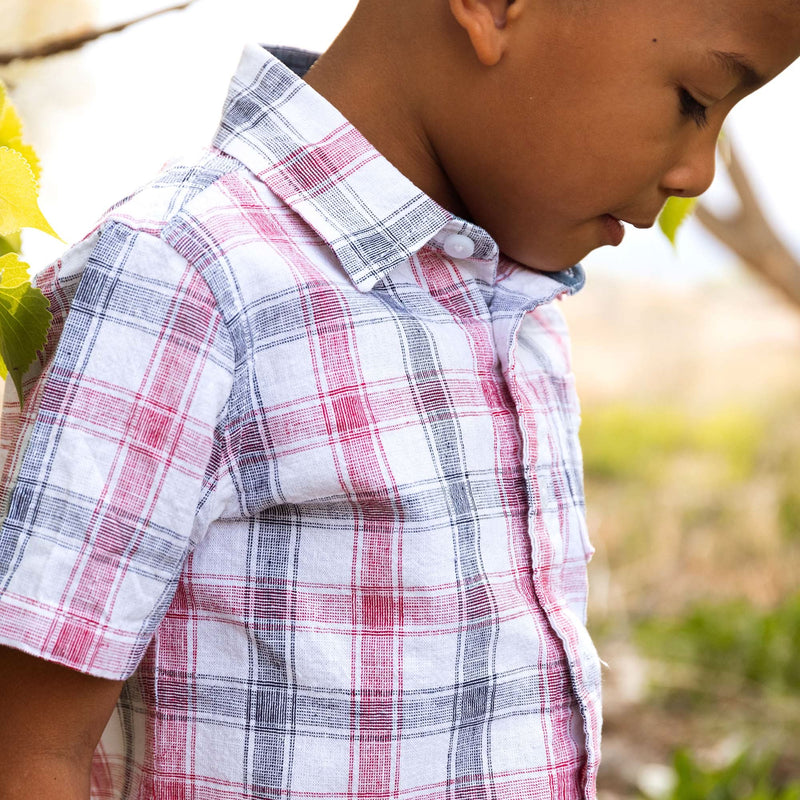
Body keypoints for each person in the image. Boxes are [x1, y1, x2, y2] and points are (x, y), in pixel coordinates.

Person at [1, 1, 798, 798]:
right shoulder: (187, 279)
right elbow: (29, 750)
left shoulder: (514, 306)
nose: (700, 171)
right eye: (697, 98)